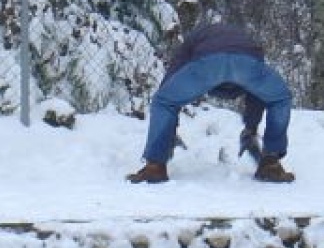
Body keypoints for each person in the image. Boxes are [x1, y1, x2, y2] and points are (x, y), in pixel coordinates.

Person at [126, 21, 295, 184]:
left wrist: (169, 124)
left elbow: (174, 73)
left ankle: (155, 166)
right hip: (245, 63)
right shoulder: (246, 42)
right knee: (279, 99)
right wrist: (250, 128)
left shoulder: (195, 37)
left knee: (163, 101)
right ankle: (271, 163)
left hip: (208, 64)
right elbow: (257, 94)